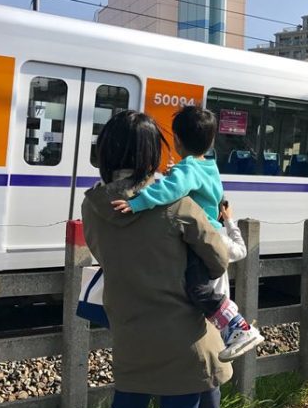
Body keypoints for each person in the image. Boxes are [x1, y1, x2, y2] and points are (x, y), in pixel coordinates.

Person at [82, 110, 233, 408]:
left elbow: (101, 253)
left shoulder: (93, 206)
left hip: (131, 332)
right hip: (184, 337)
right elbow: (219, 259)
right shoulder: (179, 205)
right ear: (152, 154)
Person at [112, 106, 263, 361]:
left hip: (202, 238)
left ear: (177, 140)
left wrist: (138, 202)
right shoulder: (208, 166)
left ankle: (239, 327)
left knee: (198, 289)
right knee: (203, 290)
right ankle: (229, 331)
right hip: (212, 234)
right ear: (211, 141)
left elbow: (170, 191)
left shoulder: (188, 170)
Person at [193, 200, 245, 408]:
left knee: (188, 376)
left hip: (185, 314)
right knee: (212, 377)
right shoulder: (217, 240)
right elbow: (241, 250)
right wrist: (229, 221)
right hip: (216, 318)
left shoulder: (180, 240)